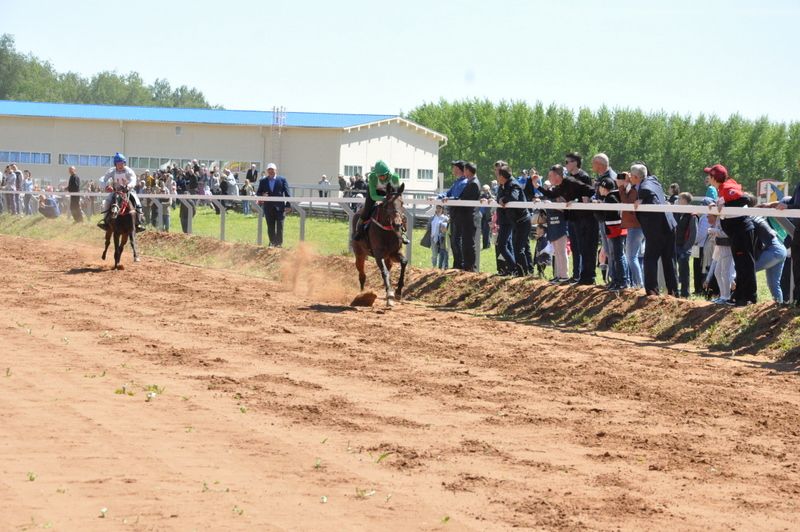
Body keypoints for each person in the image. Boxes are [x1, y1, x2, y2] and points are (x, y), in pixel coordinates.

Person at [533, 156, 597, 284]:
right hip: (574, 218)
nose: (549, 178)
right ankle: (576, 276)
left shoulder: (571, 181)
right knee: (576, 248)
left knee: (584, 248)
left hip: (586, 219)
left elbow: (590, 190)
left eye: (551, 176)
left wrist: (577, 200)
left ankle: (584, 277)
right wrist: (537, 186)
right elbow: (552, 195)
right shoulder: (561, 185)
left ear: (557, 175)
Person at [705, 164, 756, 306]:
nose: (708, 178)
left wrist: (725, 206)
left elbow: (743, 198)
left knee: (743, 265)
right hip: (736, 231)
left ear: (714, 178)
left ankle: (746, 297)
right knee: (741, 265)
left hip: (740, 230)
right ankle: (741, 296)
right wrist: (717, 204)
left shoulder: (727, 187)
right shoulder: (722, 188)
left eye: (709, 176)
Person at [630, 163, 678, 296]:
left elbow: (653, 202)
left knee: (650, 259)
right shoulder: (653, 180)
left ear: (635, 177)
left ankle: (652, 291)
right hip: (669, 226)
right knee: (669, 260)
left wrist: (643, 201)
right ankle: (673, 291)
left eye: (631, 175)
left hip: (657, 231)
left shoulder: (644, 189)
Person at [766, 176, 800, 306]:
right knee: (797, 265)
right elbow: (793, 202)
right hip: (798, 230)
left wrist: (787, 205)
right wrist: (777, 204)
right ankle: (797, 300)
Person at [495, 165, 530, 276]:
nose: (497, 176)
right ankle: (517, 271)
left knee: (519, 248)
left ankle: (523, 273)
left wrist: (503, 199)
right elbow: (498, 198)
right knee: (515, 247)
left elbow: (513, 197)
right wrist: (501, 199)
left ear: (502, 176)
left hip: (522, 220)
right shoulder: (503, 185)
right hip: (515, 220)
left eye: (498, 174)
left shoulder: (514, 184)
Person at [97, 153, 145, 232]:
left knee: (138, 203)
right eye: (118, 164)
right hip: (116, 191)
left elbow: (133, 180)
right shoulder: (111, 171)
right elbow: (102, 179)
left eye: (122, 163)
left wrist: (129, 186)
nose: (120, 165)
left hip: (128, 191)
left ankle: (138, 223)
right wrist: (106, 186)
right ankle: (105, 222)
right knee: (107, 202)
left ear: (124, 163)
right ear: (115, 164)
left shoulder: (128, 171)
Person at [596, 177, 629, 290]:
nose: (598, 189)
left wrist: (597, 210)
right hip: (614, 230)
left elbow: (607, 216)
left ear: (604, 187)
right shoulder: (610, 198)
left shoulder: (611, 198)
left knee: (618, 256)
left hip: (615, 230)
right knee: (615, 255)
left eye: (600, 187)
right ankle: (616, 280)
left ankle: (622, 281)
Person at [439, 160, 467, 268]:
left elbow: (456, 197)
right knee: (453, 239)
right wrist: (438, 196)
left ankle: (460, 264)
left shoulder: (464, 183)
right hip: (454, 214)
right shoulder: (457, 182)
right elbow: (448, 193)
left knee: (456, 239)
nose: (452, 170)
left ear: (459, 169)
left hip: (459, 214)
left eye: (454, 168)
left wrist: (447, 198)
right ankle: (457, 264)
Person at [256, 163, 292, 248]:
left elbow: (287, 193)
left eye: (272, 169)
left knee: (280, 225)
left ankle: (279, 244)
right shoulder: (263, 181)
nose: (271, 171)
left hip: (280, 207)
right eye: (269, 170)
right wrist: (263, 195)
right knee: (270, 226)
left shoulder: (282, 179)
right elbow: (258, 192)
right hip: (268, 207)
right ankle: (272, 242)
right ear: (267, 171)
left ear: (276, 170)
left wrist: (288, 205)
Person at [705, 214, 735, 304]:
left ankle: (726, 297)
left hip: (727, 248)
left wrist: (715, 231)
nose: (707, 217)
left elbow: (727, 233)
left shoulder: (725, 218)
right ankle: (722, 295)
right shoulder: (720, 219)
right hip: (721, 248)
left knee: (725, 273)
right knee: (717, 272)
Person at [675, 192, 697, 297]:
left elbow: (693, 234)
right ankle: (675, 291)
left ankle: (685, 293)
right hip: (676, 245)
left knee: (684, 271)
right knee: (675, 270)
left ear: (684, 200)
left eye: (679, 198)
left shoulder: (692, 215)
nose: (678, 200)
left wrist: (685, 248)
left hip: (684, 247)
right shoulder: (677, 213)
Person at [429, 204, 449, 269]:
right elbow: (429, 227)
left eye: (440, 208)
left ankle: (442, 267)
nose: (438, 209)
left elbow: (447, 228)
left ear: (442, 209)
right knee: (434, 254)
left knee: (442, 253)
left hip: (442, 238)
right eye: (437, 208)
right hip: (433, 238)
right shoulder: (432, 217)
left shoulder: (445, 218)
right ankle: (434, 267)